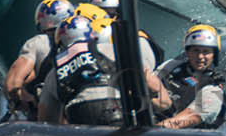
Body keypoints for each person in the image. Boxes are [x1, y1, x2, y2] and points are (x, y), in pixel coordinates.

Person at [39, 14, 167, 126]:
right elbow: (160, 96)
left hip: (80, 120)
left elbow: (46, 122)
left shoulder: (55, 70)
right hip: (117, 112)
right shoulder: (114, 51)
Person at [2, 0, 72, 118]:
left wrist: (28, 101)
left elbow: (12, 85)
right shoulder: (88, 42)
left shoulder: (38, 43)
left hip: (48, 117)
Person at [156, 25, 226, 130]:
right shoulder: (170, 66)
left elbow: (189, 117)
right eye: (196, 50)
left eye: (206, 51)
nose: (200, 57)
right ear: (187, 52)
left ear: (214, 55)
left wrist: (153, 130)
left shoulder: (214, 90)